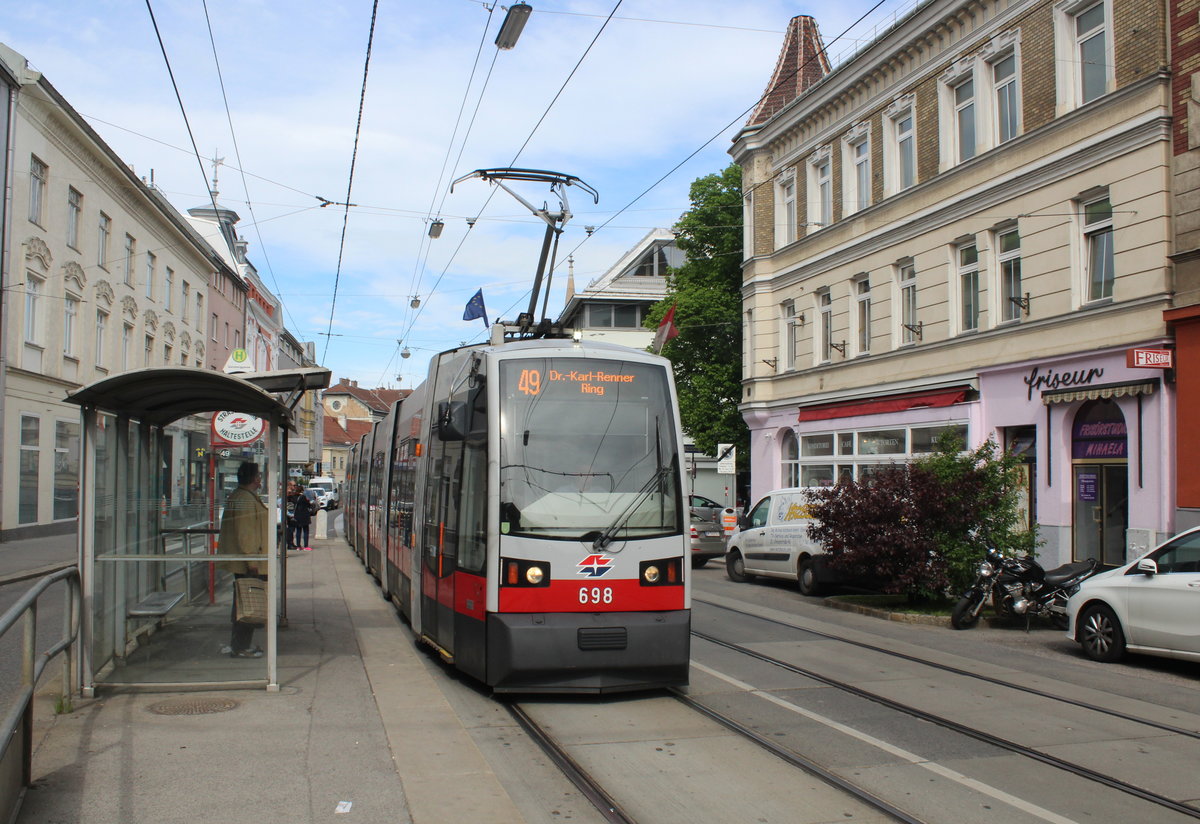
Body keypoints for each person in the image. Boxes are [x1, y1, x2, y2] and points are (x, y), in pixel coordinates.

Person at [218, 461, 268, 658]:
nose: (260, 479)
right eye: (259, 475)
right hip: (250, 563)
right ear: (254, 478)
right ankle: (240, 647)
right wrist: (252, 562)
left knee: (244, 603)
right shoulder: (245, 499)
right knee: (248, 605)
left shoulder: (243, 496)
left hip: (248, 561)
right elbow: (246, 534)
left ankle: (239, 645)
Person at [291, 482, 313, 551]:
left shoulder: (293, 497)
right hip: (304, 516)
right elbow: (309, 505)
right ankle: (306, 546)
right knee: (306, 531)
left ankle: (298, 546)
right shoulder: (303, 497)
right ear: (302, 491)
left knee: (298, 531)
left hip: (297, 516)